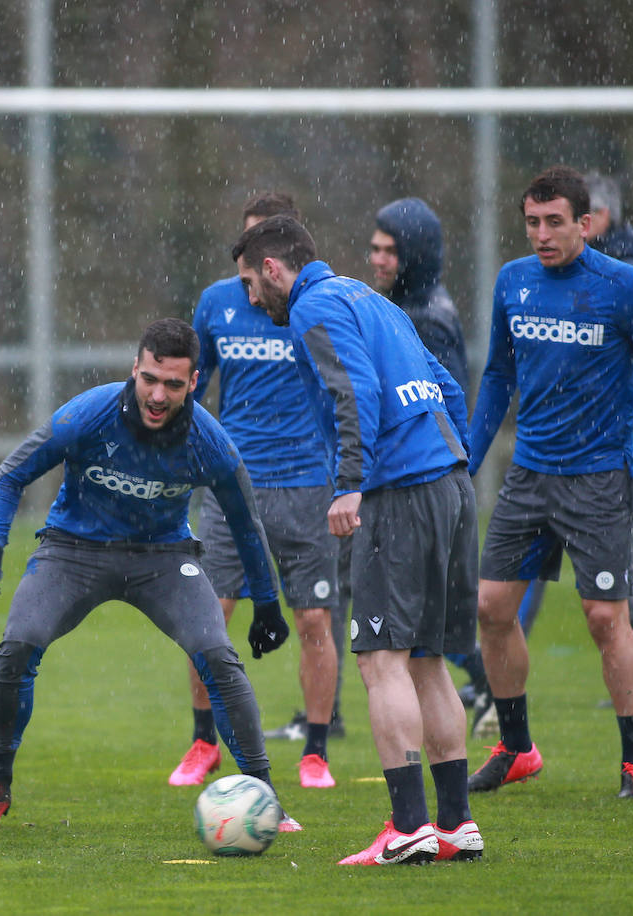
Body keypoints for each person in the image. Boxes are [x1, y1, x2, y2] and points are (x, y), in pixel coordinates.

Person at [0, 317, 300, 833]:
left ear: (193, 382)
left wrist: (267, 604)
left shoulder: (210, 441)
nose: (158, 395)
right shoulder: (88, 415)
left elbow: (246, 524)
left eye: (174, 384)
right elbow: (11, 474)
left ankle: (265, 796)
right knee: (18, 645)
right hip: (74, 551)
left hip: (162, 557)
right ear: (134, 370)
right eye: (150, 380)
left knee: (218, 656)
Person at [234, 215, 481, 865]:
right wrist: (456, 463)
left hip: (397, 493)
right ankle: (455, 824)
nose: (251, 301)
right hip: (448, 481)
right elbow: (449, 387)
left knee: (380, 660)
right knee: (426, 659)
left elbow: (353, 392)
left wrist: (350, 484)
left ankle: (409, 827)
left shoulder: (314, 307)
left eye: (251, 286)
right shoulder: (372, 299)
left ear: (273, 269)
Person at [466, 165, 633, 800]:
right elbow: (498, 379)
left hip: (596, 481)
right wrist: (468, 462)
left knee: (603, 618)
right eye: (532, 222)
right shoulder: (514, 282)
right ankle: (515, 747)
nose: (541, 234)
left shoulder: (626, 287)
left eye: (554, 222)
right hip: (529, 475)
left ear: (584, 224)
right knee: (491, 607)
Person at [177, 191, 342, 792]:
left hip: (305, 485)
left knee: (315, 618)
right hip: (230, 487)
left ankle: (316, 752)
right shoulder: (217, 303)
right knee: (207, 615)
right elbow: (191, 386)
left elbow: (340, 390)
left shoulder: (313, 306)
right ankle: (203, 742)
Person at [368, 198, 492, 719]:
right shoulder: (412, 307)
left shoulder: (423, 319)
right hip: (420, 485)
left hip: (415, 490)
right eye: (373, 248)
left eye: (389, 251)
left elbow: (435, 404)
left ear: (415, 254)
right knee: (421, 632)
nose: (377, 259)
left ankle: (493, 696)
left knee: (415, 636)